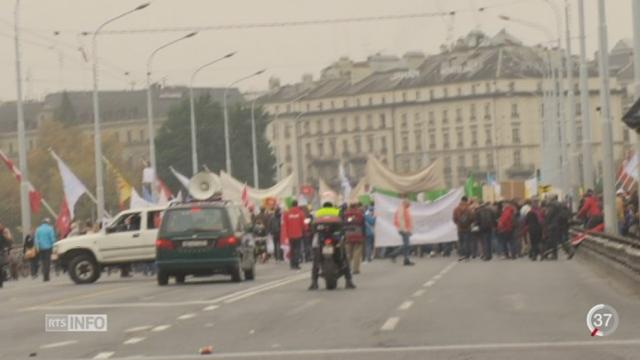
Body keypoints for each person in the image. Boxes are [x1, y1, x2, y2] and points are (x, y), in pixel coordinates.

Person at [309, 199, 356, 290]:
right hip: (335, 238)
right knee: (344, 258)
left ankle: (314, 282)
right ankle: (348, 281)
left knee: (316, 260)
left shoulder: (318, 212)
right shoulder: (337, 211)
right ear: (331, 206)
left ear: (324, 206)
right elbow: (344, 223)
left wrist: (311, 231)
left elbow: (312, 225)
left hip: (322, 238)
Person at [389, 195, 415, 266]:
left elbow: (408, 219)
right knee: (406, 244)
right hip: (403, 229)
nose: (409, 206)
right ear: (405, 203)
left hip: (405, 229)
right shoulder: (401, 208)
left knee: (406, 245)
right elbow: (400, 219)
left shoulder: (405, 208)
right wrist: (405, 229)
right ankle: (394, 254)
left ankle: (405, 259)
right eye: (408, 204)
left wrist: (409, 229)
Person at [283, 200, 306, 270]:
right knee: (297, 250)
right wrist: (305, 230)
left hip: (290, 235)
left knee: (292, 249)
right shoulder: (301, 213)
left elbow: (285, 225)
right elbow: (304, 224)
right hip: (298, 234)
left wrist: (286, 235)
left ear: (291, 205)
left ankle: (292, 264)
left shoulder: (287, 213)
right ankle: (296, 264)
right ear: (297, 205)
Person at [343, 203, 365, 274]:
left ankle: (347, 269)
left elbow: (343, 224)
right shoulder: (360, 214)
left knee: (348, 253)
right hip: (358, 235)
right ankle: (355, 269)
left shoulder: (345, 214)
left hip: (348, 235)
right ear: (356, 207)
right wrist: (363, 235)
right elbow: (363, 224)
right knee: (357, 253)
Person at [453, 196, 473, 261]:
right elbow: (472, 218)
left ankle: (461, 255)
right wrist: (469, 223)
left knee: (461, 242)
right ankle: (467, 256)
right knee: (467, 242)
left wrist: (458, 224)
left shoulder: (456, 209)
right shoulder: (468, 208)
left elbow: (454, 219)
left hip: (460, 228)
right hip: (467, 228)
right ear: (466, 201)